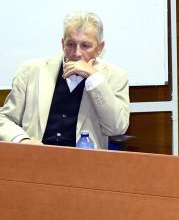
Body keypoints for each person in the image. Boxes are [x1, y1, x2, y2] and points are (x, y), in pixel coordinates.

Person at [0, 11, 130, 149]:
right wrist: (22, 141)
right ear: (62, 43)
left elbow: (117, 128)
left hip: (85, 164)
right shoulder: (31, 70)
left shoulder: (115, 76)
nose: (77, 53)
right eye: (71, 44)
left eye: (85, 46)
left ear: (100, 48)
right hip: (35, 158)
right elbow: (5, 119)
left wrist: (94, 78)